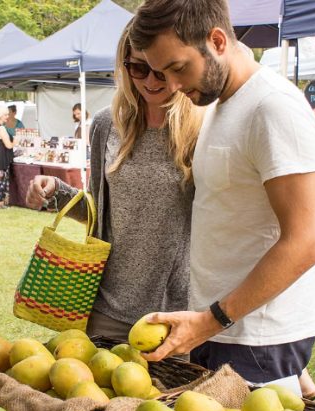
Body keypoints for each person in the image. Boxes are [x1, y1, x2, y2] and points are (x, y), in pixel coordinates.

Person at [127, 0, 315, 385]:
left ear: (217, 41)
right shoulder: (222, 101)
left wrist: (211, 320)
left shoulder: (273, 107)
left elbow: (305, 242)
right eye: (162, 72)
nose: (173, 86)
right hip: (220, 326)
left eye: (178, 68)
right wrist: (206, 322)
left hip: (257, 338)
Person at [27, 25, 202, 339]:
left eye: (161, 71)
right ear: (124, 65)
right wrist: (58, 192)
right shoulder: (107, 124)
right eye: (138, 68)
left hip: (174, 311)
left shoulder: (201, 129)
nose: (150, 81)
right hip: (106, 305)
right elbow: (98, 209)